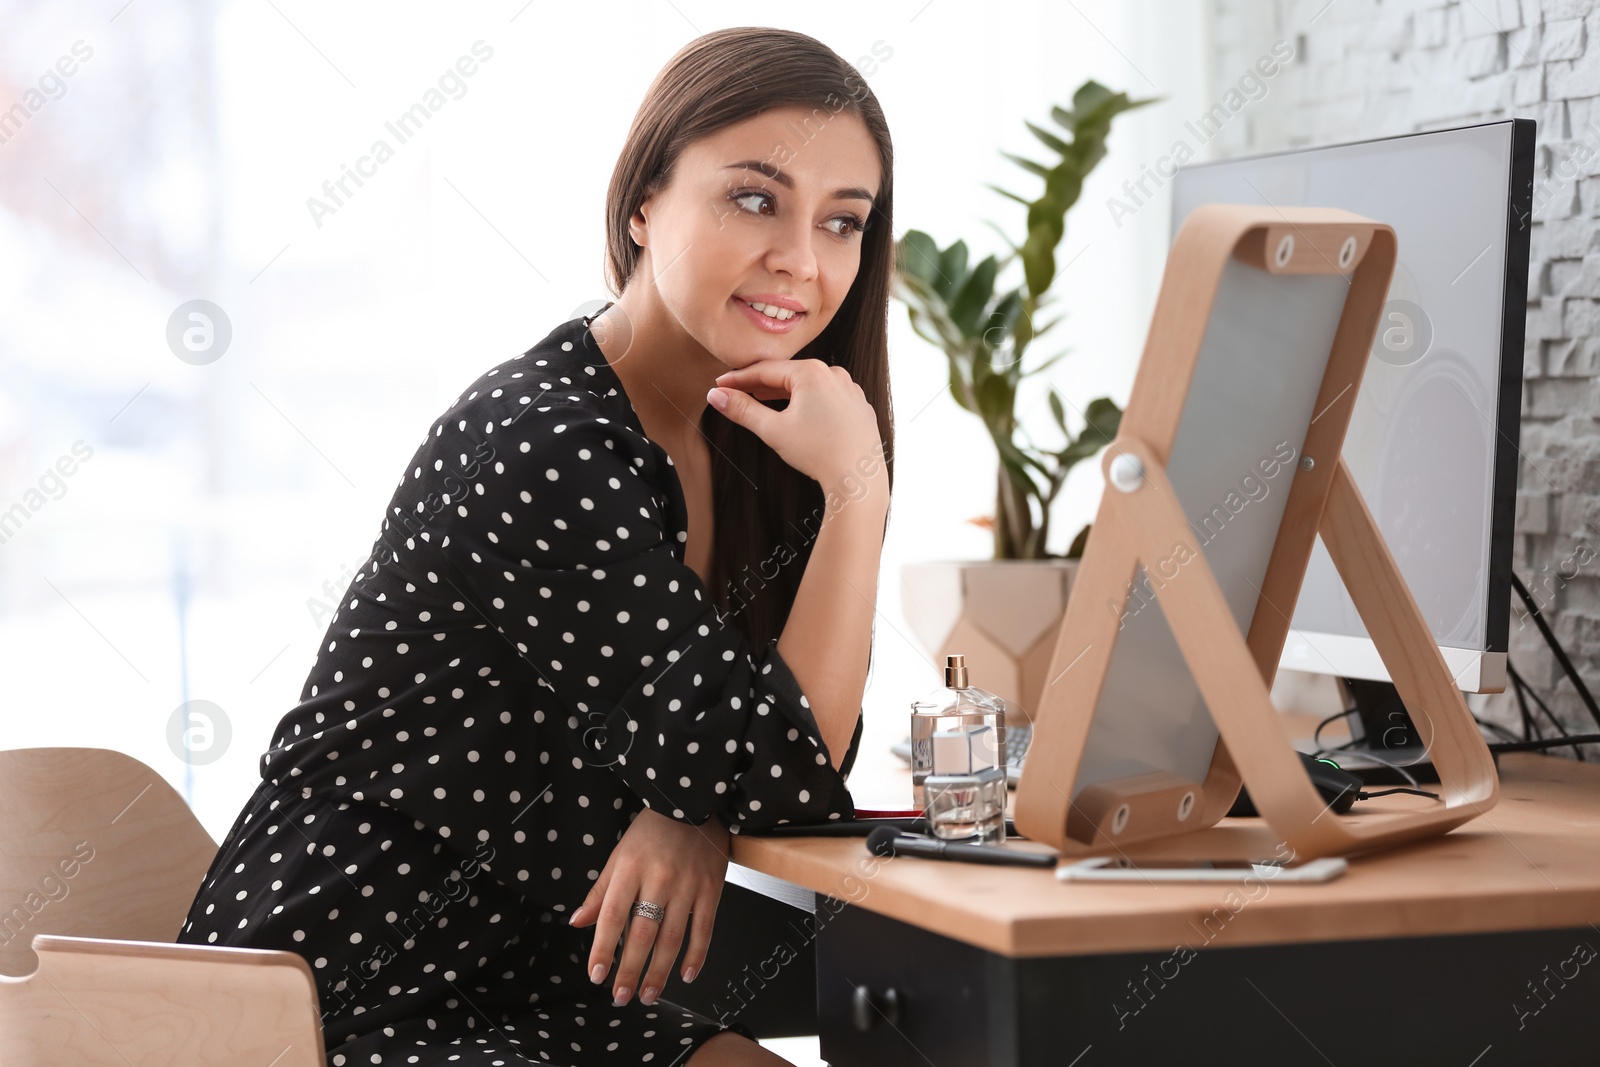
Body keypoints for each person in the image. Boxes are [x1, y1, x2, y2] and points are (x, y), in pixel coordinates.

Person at [175, 25, 896, 1066]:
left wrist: (686, 797)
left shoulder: (743, 436)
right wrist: (859, 487)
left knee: (902, 1008)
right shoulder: (545, 439)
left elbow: (770, 753)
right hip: (336, 997)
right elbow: (774, 765)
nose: (800, 257)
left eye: (842, 222)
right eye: (754, 198)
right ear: (643, 202)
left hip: (540, 973)